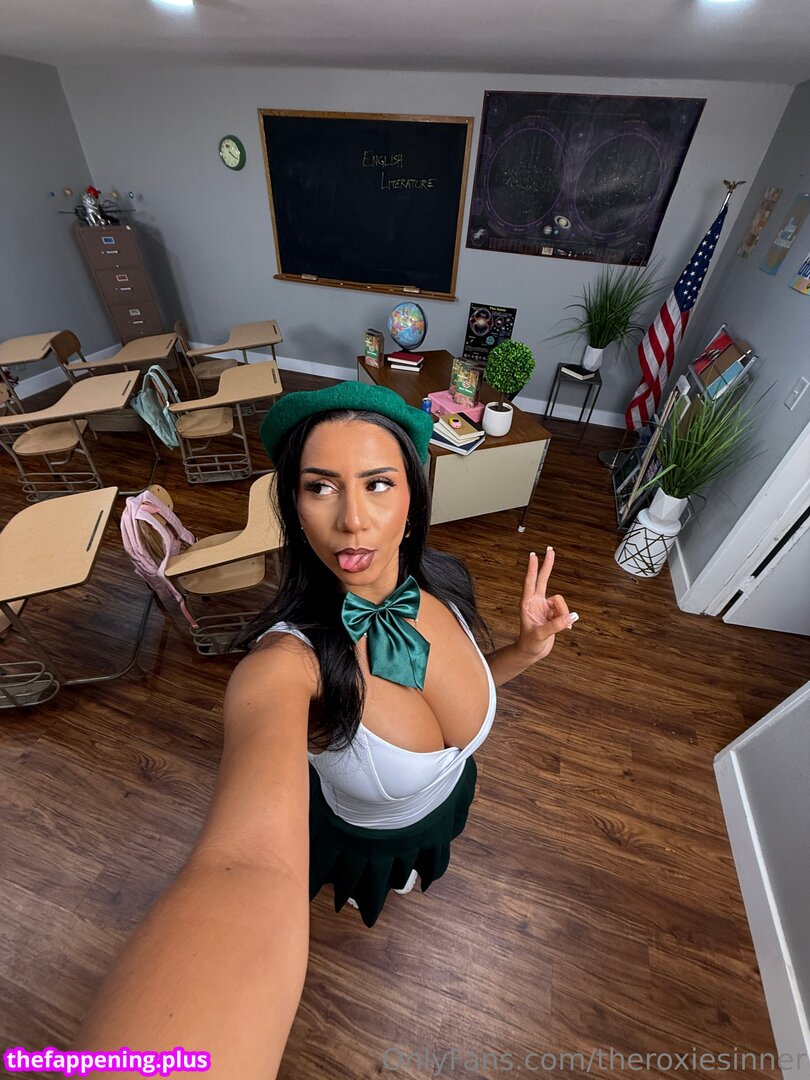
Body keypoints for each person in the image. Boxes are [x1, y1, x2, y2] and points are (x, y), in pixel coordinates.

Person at [74, 382, 576, 1078]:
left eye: (378, 483)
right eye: (320, 487)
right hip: (363, 833)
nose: (353, 520)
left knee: (419, 863)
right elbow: (243, 867)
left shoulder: (444, 584)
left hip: (445, 801)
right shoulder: (284, 668)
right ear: (294, 507)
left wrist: (524, 651)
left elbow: (459, 706)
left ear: (414, 496)